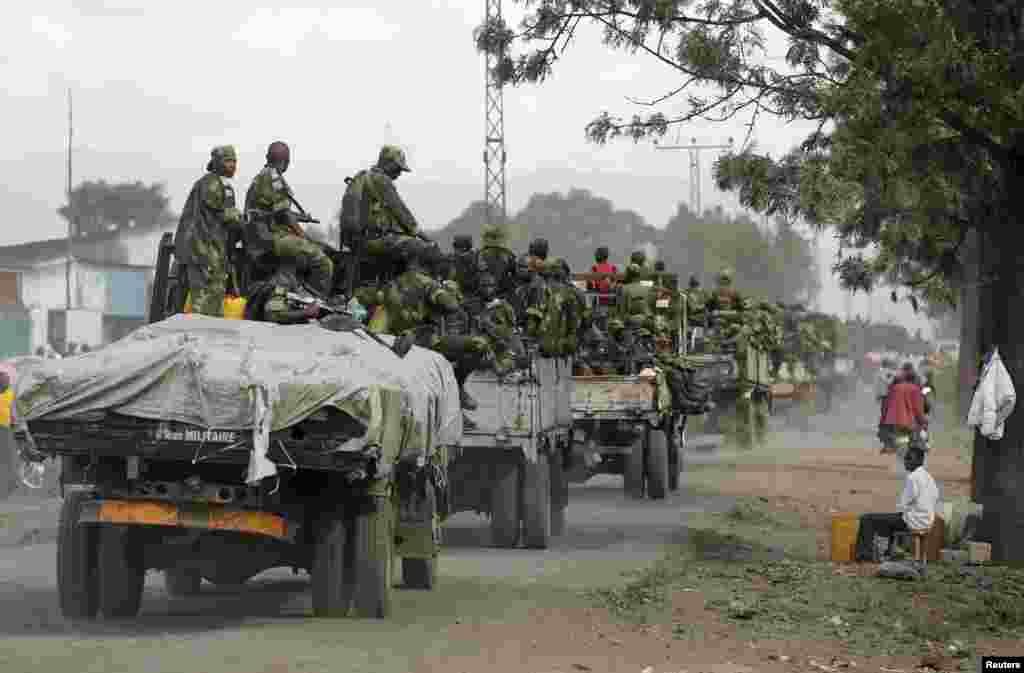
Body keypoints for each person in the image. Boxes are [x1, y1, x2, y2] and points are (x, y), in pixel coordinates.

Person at [245, 141, 334, 295]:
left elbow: (273, 211)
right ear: (287, 161)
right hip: (271, 238)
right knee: (323, 262)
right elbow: (284, 215)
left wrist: (302, 217)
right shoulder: (274, 178)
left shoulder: (261, 176)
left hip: (259, 238)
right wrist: (303, 235)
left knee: (296, 261)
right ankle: (316, 302)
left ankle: (289, 291)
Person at [339, 145, 431, 282]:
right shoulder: (381, 180)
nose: (399, 173)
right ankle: (410, 289)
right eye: (398, 168)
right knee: (417, 247)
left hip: (354, 240)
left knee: (400, 242)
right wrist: (424, 237)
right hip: (370, 240)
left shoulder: (363, 178)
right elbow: (401, 212)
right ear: (387, 163)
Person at [174, 145, 242, 317]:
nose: (232, 165)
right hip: (201, 248)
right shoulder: (211, 183)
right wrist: (245, 218)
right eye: (228, 161)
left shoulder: (220, 184)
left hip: (211, 248)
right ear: (217, 163)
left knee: (215, 292)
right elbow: (225, 214)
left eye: (234, 161)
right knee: (203, 295)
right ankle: (198, 331)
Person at [854, 446, 939, 562]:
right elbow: (934, 498)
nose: (906, 462)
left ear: (919, 461)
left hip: (914, 521)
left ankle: (864, 556)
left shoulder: (913, 477)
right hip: (928, 520)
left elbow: (903, 505)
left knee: (867, 519)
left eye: (909, 459)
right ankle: (889, 552)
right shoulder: (929, 477)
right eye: (905, 458)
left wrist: (903, 511)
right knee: (888, 521)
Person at [878, 363, 929, 456]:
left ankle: (890, 445)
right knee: (918, 432)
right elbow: (919, 407)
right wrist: (922, 419)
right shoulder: (916, 387)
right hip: (908, 420)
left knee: (896, 434)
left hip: (894, 420)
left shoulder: (894, 386)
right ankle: (922, 443)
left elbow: (886, 403)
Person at [0, 370, 16, 498]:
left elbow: (14, 412)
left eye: (7, 380)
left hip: (6, 430)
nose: (6, 382)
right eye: (4, 380)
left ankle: (9, 485)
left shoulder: (11, 394)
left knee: (8, 459)